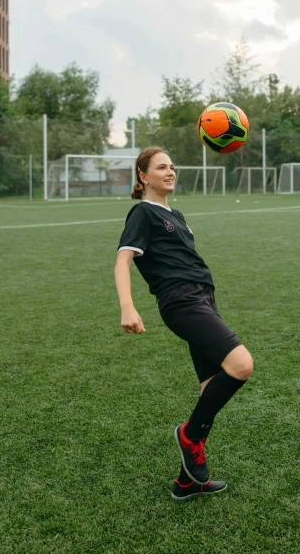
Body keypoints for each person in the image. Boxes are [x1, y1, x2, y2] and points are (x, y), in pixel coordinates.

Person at [114, 147, 253, 501]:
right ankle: (189, 436)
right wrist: (127, 307)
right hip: (181, 300)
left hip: (203, 297)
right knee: (240, 364)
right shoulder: (142, 212)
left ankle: (187, 481)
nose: (170, 171)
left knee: (210, 388)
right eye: (161, 167)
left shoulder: (175, 213)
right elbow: (122, 261)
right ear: (144, 177)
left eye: (172, 166)